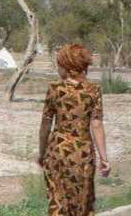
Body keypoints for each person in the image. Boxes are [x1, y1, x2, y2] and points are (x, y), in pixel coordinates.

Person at [38, 44, 110, 216]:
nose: (58, 69)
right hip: (83, 154)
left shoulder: (55, 89)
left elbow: (46, 124)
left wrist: (42, 152)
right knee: (83, 202)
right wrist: (104, 158)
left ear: (68, 67)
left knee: (57, 201)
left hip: (57, 152)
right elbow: (96, 124)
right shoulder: (93, 90)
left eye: (59, 65)